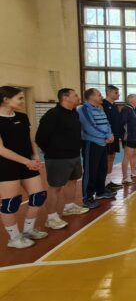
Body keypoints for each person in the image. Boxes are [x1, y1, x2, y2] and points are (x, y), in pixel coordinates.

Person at [0, 86, 49, 249]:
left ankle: (28, 230)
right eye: (19, 98)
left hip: (27, 162)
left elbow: (30, 140)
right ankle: (14, 238)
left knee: (38, 196)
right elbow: (1, 149)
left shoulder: (22, 116)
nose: (23, 101)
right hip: (6, 165)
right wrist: (26, 161)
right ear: (6, 99)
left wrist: (35, 156)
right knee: (11, 203)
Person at [35, 88, 89, 231]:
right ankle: (51, 218)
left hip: (74, 155)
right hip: (57, 158)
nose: (78, 97)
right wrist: (53, 151)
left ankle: (69, 207)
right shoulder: (52, 115)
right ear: (65, 98)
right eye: (75, 95)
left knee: (72, 181)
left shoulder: (74, 113)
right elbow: (40, 138)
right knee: (55, 187)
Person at [79, 88, 115, 208]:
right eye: (99, 95)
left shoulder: (99, 109)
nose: (101, 97)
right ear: (91, 97)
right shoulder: (83, 109)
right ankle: (87, 197)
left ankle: (100, 191)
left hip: (103, 143)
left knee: (102, 169)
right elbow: (89, 127)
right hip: (92, 144)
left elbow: (107, 123)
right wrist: (105, 136)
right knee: (91, 171)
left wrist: (110, 134)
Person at [102, 85, 123, 192]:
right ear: (109, 92)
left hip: (115, 136)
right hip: (107, 137)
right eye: (116, 92)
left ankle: (108, 181)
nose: (118, 95)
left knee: (111, 157)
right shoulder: (103, 104)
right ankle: (103, 183)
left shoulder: (114, 105)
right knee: (106, 159)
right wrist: (107, 135)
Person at [120, 94, 136, 184]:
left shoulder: (135, 109)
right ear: (131, 101)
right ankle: (125, 177)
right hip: (129, 137)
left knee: (134, 154)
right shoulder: (126, 109)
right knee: (127, 156)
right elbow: (122, 123)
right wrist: (126, 135)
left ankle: (133, 172)